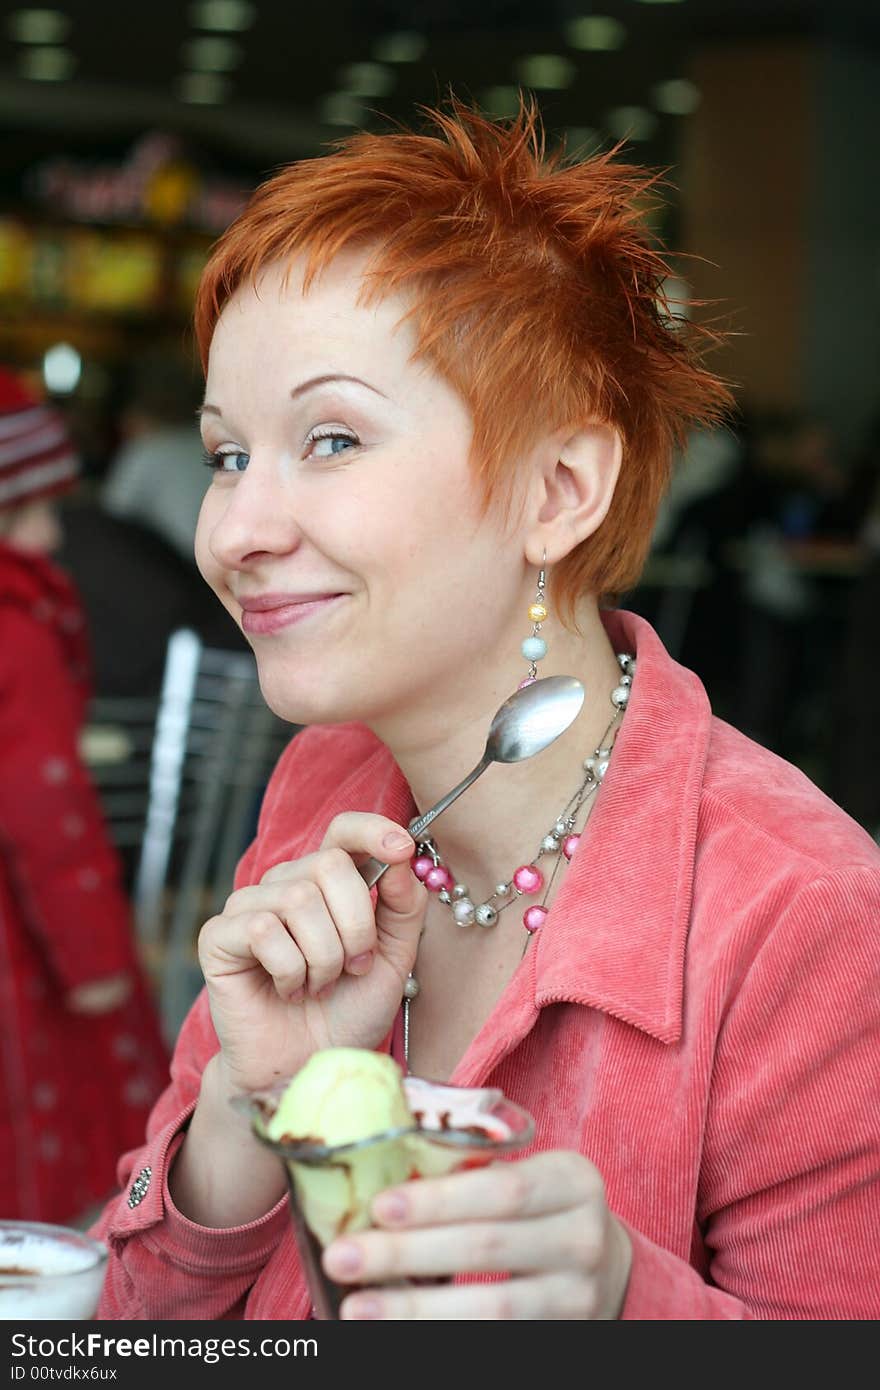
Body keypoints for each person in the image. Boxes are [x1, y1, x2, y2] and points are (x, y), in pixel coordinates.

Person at [90, 100, 879, 1320]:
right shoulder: (326, 787)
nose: (236, 531)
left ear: (559, 489)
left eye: (333, 437)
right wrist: (256, 1105)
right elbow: (128, 1332)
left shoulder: (803, 914)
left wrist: (619, 1302)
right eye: (227, 454)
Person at [0, 369, 169, 1224]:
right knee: (42, 1124)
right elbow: (46, 815)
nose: (42, 537)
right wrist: (97, 962)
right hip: (21, 944)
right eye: (18, 513)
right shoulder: (17, 626)